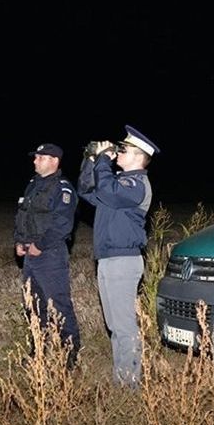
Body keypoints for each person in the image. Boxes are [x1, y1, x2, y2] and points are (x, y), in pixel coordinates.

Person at [78, 125, 160, 388]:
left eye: (123, 149)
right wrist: (90, 160)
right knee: (115, 326)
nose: (118, 151)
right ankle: (122, 380)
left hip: (123, 262)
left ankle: (130, 386)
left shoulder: (136, 184)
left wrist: (103, 159)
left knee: (124, 327)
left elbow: (109, 191)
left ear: (139, 156)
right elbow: (87, 191)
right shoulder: (116, 184)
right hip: (109, 260)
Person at [14, 142, 80, 368]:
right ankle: (38, 354)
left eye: (40, 157)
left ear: (54, 161)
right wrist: (19, 241)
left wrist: (39, 245)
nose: (35, 161)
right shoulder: (33, 185)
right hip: (30, 256)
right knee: (33, 305)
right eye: (35, 157)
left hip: (50, 255)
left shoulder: (63, 188)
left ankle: (69, 358)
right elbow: (24, 216)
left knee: (59, 305)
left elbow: (62, 225)